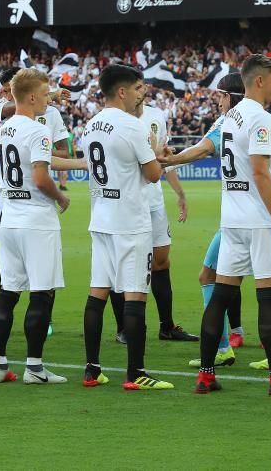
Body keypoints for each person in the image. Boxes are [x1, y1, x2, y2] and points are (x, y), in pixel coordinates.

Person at [161, 74, 271, 372]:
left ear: (232, 95)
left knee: (261, 287)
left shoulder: (242, 120)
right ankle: (231, 350)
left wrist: (173, 159)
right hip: (243, 218)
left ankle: (268, 355)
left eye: (220, 95)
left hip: (251, 218)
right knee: (228, 280)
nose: (218, 101)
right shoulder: (241, 120)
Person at [81, 65, 174, 391]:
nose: (141, 94)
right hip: (131, 222)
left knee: (98, 292)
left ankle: (92, 370)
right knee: (136, 295)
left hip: (101, 218)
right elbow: (152, 174)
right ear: (122, 91)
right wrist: (155, 152)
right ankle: (136, 373)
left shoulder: (89, 126)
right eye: (137, 89)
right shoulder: (132, 126)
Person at [0, 68, 70, 385]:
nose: (49, 99)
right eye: (47, 94)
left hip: (9, 216)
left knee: (7, 293)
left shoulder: (5, 128)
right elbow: (40, 177)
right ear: (32, 96)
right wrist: (61, 197)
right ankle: (34, 368)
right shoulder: (38, 130)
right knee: (42, 292)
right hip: (36, 219)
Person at [136, 100, 196, 342]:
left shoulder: (156, 116)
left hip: (155, 202)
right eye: (136, 87)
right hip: (129, 205)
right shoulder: (115, 117)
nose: (141, 92)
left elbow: (164, 159)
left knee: (161, 262)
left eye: (142, 86)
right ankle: (125, 328)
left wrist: (180, 193)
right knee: (129, 266)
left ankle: (167, 326)